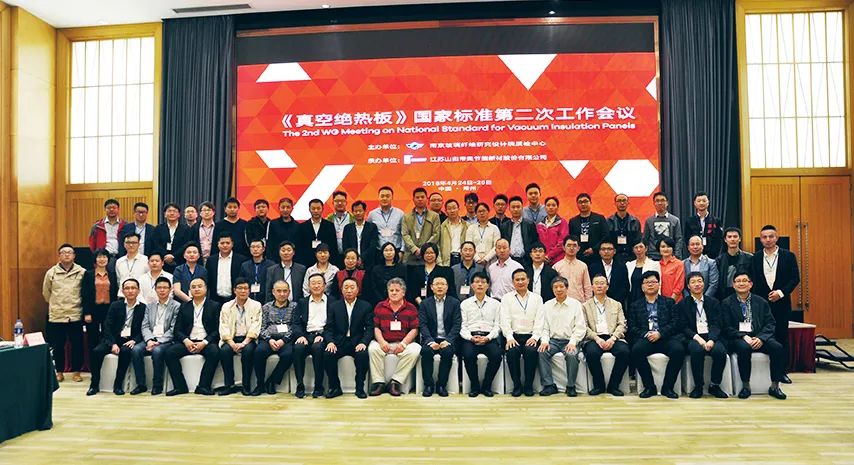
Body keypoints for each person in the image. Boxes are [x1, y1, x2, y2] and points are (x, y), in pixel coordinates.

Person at [721, 271, 787, 399]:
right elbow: (726, 326)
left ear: (750, 284)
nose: (741, 284)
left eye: (744, 281)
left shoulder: (761, 301)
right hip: (738, 338)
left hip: (759, 336)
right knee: (744, 348)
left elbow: (770, 323)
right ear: (733, 285)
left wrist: (761, 338)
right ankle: (746, 386)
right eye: (738, 281)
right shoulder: (726, 303)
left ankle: (775, 386)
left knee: (777, 348)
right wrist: (743, 336)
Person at [750, 224, 800, 384]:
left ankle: (781, 372)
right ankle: (763, 372)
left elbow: (795, 278)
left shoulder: (788, 256)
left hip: (781, 303)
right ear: (760, 239)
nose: (768, 239)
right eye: (764, 237)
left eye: (771, 236)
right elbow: (753, 280)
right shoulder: (755, 257)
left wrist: (781, 292)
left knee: (781, 337)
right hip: (761, 305)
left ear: (776, 238)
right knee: (762, 335)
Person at [627, 270, 685, 399]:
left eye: (653, 281)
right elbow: (632, 326)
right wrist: (646, 334)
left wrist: (660, 333)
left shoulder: (669, 302)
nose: (650, 284)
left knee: (678, 350)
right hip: (646, 338)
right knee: (636, 350)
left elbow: (675, 323)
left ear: (659, 284)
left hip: (665, 337)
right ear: (642, 287)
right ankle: (649, 387)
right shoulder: (635, 305)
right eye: (647, 282)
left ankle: (668, 387)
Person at [86, 278, 146, 396]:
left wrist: (135, 340)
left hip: (129, 340)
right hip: (113, 339)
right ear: (122, 291)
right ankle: (94, 385)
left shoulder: (143, 308)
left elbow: (144, 328)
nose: (130, 291)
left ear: (138, 291)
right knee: (96, 351)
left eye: (133, 288)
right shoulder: (115, 305)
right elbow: (107, 326)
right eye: (127, 288)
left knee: (125, 352)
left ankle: (118, 385)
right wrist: (112, 343)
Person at [164, 277, 221, 396]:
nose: (197, 289)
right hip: (188, 341)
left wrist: (204, 342)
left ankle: (203, 386)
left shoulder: (215, 306)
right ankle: (180, 387)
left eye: (200, 286)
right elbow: (177, 330)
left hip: (205, 342)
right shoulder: (184, 306)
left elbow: (217, 330)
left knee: (215, 352)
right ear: (189, 291)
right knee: (169, 353)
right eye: (193, 287)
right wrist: (186, 341)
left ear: (206, 288)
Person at [677, 272, 728, 399]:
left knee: (720, 351)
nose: (697, 284)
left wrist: (711, 339)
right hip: (693, 337)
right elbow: (683, 326)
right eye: (693, 282)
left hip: (711, 336)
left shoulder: (713, 302)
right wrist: (698, 338)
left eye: (699, 281)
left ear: (704, 284)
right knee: (697, 350)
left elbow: (717, 324)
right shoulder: (683, 304)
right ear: (688, 286)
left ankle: (714, 385)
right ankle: (698, 386)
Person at [534, 276, 587, 397]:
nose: (558, 289)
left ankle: (571, 386)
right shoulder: (547, 305)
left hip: (570, 340)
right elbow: (544, 327)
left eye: (561, 286)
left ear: (567, 288)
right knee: (542, 352)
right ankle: (549, 385)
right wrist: (545, 341)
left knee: (571, 354)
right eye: (555, 287)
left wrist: (573, 343)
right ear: (552, 289)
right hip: (553, 341)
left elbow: (580, 327)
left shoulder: (575, 304)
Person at [368, 278, 420, 396]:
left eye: (397, 290)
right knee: (372, 348)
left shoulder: (411, 308)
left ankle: (395, 382)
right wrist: (382, 342)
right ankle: (379, 383)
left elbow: (415, 329)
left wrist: (404, 344)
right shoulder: (380, 306)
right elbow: (376, 327)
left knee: (415, 349)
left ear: (403, 292)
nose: (394, 293)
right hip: (384, 342)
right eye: (391, 290)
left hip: (402, 342)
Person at [323, 277, 374, 399]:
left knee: (362, 355)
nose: (349, 290)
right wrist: (330, 342)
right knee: (328, 354)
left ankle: (360, 387)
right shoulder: (334, 306)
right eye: (346, 287)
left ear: (358, 290)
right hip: (339, 342)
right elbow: (328, 327)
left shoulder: (366, 306)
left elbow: (370, 328)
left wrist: (364, 343)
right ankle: (335, 387)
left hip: (357, 341)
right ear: (341, 290)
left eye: (352, 287)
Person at [43, 244, 86, 383]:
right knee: (58, 346)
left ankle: (77, 372)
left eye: (69, 252)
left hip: (75, 314)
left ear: (74, 255)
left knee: (77, 345)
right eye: (63, 252)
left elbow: (85, 292)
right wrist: (56, 305)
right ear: (59, 256)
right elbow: (46, 293)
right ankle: (59, 372)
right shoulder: (51, 273)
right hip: (57, 315)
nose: (67, 255)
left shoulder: (82, 272)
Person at [581, 275, 630, 396]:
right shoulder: (585, 306)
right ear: (592, 287)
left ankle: (614, 386)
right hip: (594, 338)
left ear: (607, 287)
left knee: (624, 352)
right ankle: (599, 385)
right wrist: (597, 338)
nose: (599, 286)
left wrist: (613, 339)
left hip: (612, 336)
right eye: (596, 283)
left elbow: (622, 324)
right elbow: (584, 327)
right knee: (592, 353)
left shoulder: (616, 304)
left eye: (602, 283)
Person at [132, 276, 180, 395]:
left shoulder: (176, 306)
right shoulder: (150, 305)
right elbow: (145, 326)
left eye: (165, 288)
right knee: (136, 350)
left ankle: (157, 386)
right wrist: (149, 340)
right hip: (150, 338)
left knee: (157, 351)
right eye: (159, 288)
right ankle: (141, 385)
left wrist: (159, 341)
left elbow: (173, 329)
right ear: (155, 289)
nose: (162, 290)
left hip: (166, 340)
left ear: (170, 290)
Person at [500, 269, 544, 397]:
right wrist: (509, 337)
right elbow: (504, 320)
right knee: (512, 352)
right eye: (517, 280)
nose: (520, 282)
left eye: (523, 279)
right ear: (513, 282)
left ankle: (528, 385)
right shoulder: (506, 298)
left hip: (531, 335)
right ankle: (517, 385)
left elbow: (540, 320)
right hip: (513, 336)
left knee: (531, 351)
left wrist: (535, 337)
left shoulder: (537, 298)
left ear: (528, 280)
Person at [459, 272, 502, 397]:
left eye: (483, 282)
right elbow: (462, 326)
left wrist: (488, 337)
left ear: (488, 285)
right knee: (468, 355)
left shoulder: (496, 304)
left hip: (489, 337)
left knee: (496, 356)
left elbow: (498, 326)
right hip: (471, 337)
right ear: (472, 285)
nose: (480, 285)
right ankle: (475, 386)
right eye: (477, 282)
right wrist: (470, 337)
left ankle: (487, 386)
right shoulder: (465, 304)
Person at [253, 280, 299, 396]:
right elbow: (262, 327)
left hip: (286, 340)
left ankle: (272, 381)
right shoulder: (266, 307)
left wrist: (284, 340)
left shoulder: (294, 306)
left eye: (285, 291)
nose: (282, 294)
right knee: (259, 352)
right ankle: (259, 385)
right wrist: (269, 340)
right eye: (279, 291)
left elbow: (295, 326)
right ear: (273, 292)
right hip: (269, 339)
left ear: (289, 292)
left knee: (289, 355)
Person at [216, 278, 262, 396]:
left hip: (248, 339)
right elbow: (223, 326)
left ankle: (246, 386)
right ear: (234, 290)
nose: (243, 291)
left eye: (246, 288)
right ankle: (229, 385)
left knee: (248, 352)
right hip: (231, 338)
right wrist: (231, 343)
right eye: (240, 288)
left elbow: (256, 326)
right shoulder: (226, 306)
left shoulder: (256, 305)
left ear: (249, 290)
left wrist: (244, 343)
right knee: (225, 351)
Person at [418, 275, 461, 397]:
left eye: (443, 284)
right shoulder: (425, 303)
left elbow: (457, 324)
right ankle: (428, 385)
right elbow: (422, 325)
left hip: (447, 339)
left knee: (447, 352)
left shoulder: (454, 303)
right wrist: (430, 341)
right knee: (426, 352)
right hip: (431, 338)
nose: (440, 286)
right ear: (431, 287)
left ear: (447, 287)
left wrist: (448, 340)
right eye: (437, 284)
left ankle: (441, 385)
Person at [293, 273, 333, 398]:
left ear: (325, 285)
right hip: (306, 335)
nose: (316, 286)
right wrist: (300, 336)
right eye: (313, 283)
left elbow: (334, 324)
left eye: (319, 283)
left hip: (322, 335)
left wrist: (323, 335)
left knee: (318, 348)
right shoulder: (302, 302)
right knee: (298, 348)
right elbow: (296, 323)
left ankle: (318, 386)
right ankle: (300, 385)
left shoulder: (333, 302)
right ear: (309, 286)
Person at [81, 249, 118, 355]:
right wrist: (87, 313)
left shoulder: (112, 275)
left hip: (108, 309)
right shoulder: (88, 274)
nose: (102, 259)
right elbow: (85, 294)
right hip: (93, 310)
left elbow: (114, 293)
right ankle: (93, 363)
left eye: (104, 257)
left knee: (107, 336)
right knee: (92, 338)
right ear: (95, 259)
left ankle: (106, 362)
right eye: (99, 257)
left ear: (108, 259)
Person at [401, 188, 441, 265]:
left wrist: (424, 249)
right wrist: (414, 249)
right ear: (413, 199)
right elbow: (405, 235)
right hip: (410, 255)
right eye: (417, 197)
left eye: (422, 197)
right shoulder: (406, 217)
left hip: (428, 255)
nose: (420, 199)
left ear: (427, 199)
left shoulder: (434, 216)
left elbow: (436, 234)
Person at [569, 193, 610, 266]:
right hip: (579, 256)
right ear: (577, 204)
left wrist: (594, 249)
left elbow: (606, 236)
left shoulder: (599, 218)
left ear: (590, 203)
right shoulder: (573, 221)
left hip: (596, 255)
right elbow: (571, 238)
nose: (583, 204)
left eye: (585, 201)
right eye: (580, 202)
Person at [295, 198, 339, 267]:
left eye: (318, 208)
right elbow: (300, 247)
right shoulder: (302, 227)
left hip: (325, 262)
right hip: (307, 262)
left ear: (322, 209)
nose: (316, 211)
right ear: (309, 209)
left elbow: (333, 246)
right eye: (313, 208)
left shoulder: (329, 225)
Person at [205, 234, 248, 303]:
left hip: (235, 299)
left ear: (232, 244)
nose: (225, 245)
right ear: (218, 244)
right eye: (222, 243)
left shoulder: (241, 260)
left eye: (228, 243)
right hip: (215, 299)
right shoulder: (211, 260)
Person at [367, 186, 405, 261]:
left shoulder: (400, 214)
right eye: (382, 196)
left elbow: (404, 233)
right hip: (379, 251)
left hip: (396, 250)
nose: (384, 198)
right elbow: (368, 234)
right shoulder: (372, 214)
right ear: (378, 197)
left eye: (387, 196)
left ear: (392, 197)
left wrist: (402, 251)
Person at [587, 239, 629, 306]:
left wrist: (615, 302)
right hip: (597, 303)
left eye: (609, 249)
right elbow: (590, 286)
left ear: (614, 251)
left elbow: (625, 286)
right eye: (603, 249)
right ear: (599, 252)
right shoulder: (592, 267)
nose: (606, 251)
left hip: (617, 304)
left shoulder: (621, 267)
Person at [152, 202, 192, 272]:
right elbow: (156, 244)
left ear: (179, 214)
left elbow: (186, 245)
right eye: (169, 211)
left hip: (180, 261)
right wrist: (165, 256)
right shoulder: (158, 228)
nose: (172, 213)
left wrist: (173, 256)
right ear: (165, 214)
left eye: (174, 211)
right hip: (162, 262)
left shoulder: (186, 229)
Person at [552, 235, 593, 303]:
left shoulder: (583, 266)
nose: (571, 248)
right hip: (562, 303)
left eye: (574, 245)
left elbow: (587, 287)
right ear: (563, 247)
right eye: (569, 245)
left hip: (580, 303)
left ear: (578, 248)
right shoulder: (556, 267)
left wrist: (587, 303)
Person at [715, 227, 753, 300]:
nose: (732, 239)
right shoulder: (719, 260)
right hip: (725, 295)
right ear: (725, 240)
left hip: (745, 294)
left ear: (740, 239)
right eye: (729, 237)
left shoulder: (749, 258)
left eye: (735, 236)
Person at [643, 192, 683, 259]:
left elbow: (678, 239)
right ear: (654, 203)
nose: (660, 203)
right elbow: (645, 239)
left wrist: (676, 256)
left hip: (670, 256)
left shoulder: (675, 220)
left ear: (667, 203)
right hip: (653, 256)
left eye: (662, 200)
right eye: (657, 201)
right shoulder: (649, 221)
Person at [500, 195, 538, 265]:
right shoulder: (504, 226)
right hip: (509, 260)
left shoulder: (530, 224)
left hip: (526, 260)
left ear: (522, 208)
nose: (515, 209)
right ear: (509, 209)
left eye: (518, 207)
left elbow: (535, 242)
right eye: (513, 207)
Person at [342, 200, 379, 272]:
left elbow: (373, 245)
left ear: (365, 211)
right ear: (352, 212)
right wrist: (354, 259)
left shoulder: (372, 227)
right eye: (355, 211)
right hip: (351, 263)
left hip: (368, 262)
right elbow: (345, 246)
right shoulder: (348, 228)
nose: (358, 213)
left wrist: (361, 258)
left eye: (360, 211)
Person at [684, 192, 723, 259]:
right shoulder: (689, 221)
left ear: (708, 202)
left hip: (712, 257)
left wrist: (710, 255)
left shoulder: (716, 221)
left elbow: (719, 240)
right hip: (694, 256)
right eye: (699, 201)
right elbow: (687, 239)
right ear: (695, 203)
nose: (701, 203)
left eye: (704, 201)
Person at [607, 193, 642, 263]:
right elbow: (607, 240)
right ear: (615, 203)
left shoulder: (635, 221)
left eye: (624, 201)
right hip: (614, 257)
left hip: (631, 256)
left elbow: (638, 240)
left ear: (628, 203)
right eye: (619, 201)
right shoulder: (609, 221)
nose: (622, 203)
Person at [626, 239, 661, 307]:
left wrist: (658, 300)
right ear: (633, 250)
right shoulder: (629, 265)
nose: (639, 250)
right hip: (633, 297)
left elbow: (659, 283)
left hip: (649, 297)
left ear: (646, 248)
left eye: (641, 247)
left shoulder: (654, 264)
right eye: (636, 247)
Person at [115, 233, 149, 298]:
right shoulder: (119, 261)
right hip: (122, 296)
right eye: (128, 242)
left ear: (139, 244)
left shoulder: (146, 260)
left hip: (140, 297)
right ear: (124, 244)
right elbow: (118, 280)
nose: (131, 245)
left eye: (134, 242)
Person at [438, 199, 468, 267]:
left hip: (463, 258)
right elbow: (438, 246)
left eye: (454, 208)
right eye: (449, 209)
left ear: (458, 209)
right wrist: (440, 262)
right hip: (447, 260)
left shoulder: (467, 226)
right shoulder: (442, 227)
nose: (452, 211)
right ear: (445, 211)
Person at [326, 191, 353, 267]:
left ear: (346, 202)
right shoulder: (328, 219)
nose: (340, 203)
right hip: (333, 256)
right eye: (337, 201)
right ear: (333, 203)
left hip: (349, 256)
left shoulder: (353, 218)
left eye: (342, 201)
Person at [658, 237, 685, 302]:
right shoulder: (657, 264)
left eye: (669, 246)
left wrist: (671, 301)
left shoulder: (679, 264)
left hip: (675, 301)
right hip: (660, 301)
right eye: (663, 247)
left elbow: (679, 286)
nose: (666, 249)